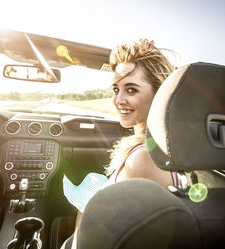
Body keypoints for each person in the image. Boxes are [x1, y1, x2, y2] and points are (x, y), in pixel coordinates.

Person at [75, 39, 176, 226]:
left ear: (160, 93)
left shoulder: (144, 158)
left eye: (131, 90)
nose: (118, 100)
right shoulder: (177, 145)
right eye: (116, 89)